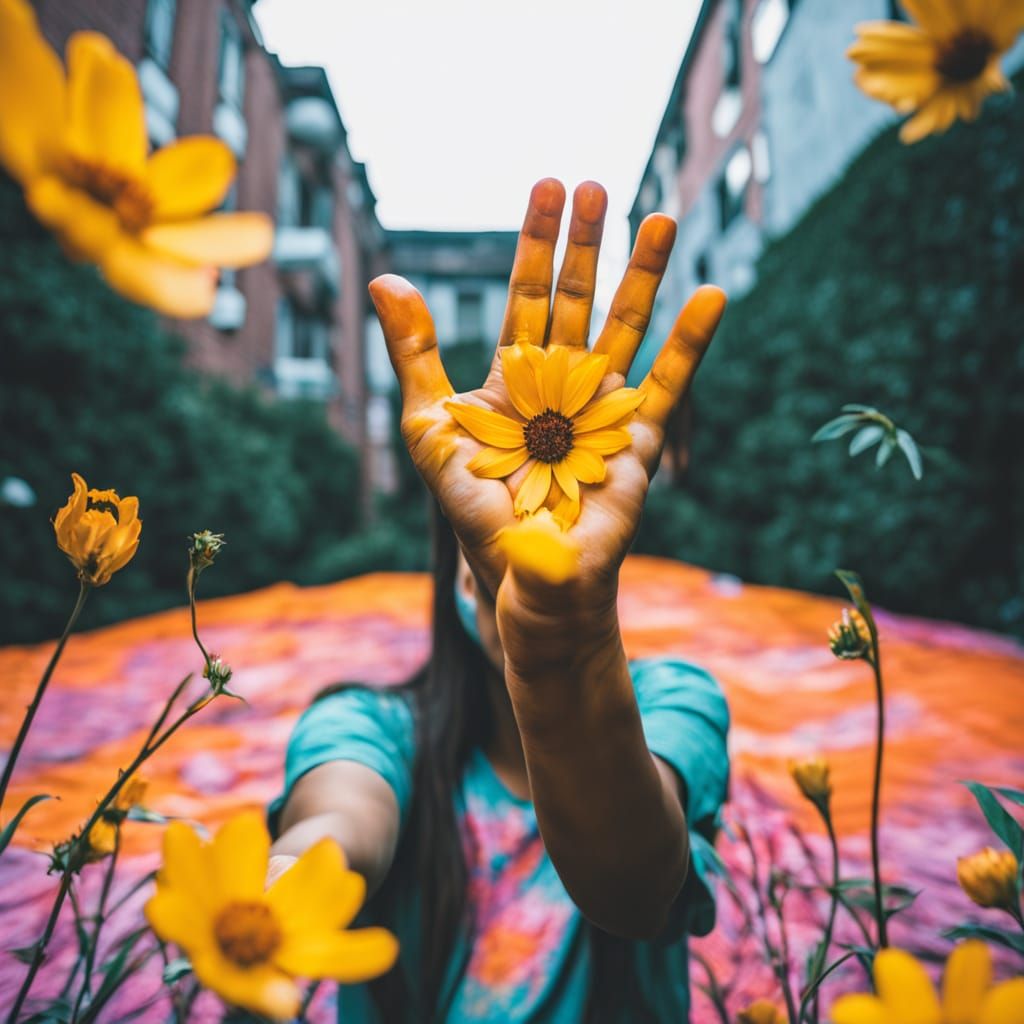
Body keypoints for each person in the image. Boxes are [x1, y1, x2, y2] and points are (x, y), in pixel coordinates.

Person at [269, 178, 731, 1023]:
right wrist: (271, 902)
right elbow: (336, 829)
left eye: (540, 550)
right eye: (479, 560)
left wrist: (564, 652)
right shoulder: (369, 730)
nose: (513, 575)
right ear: (443, 575)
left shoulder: (676, 703)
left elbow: (636, 889)